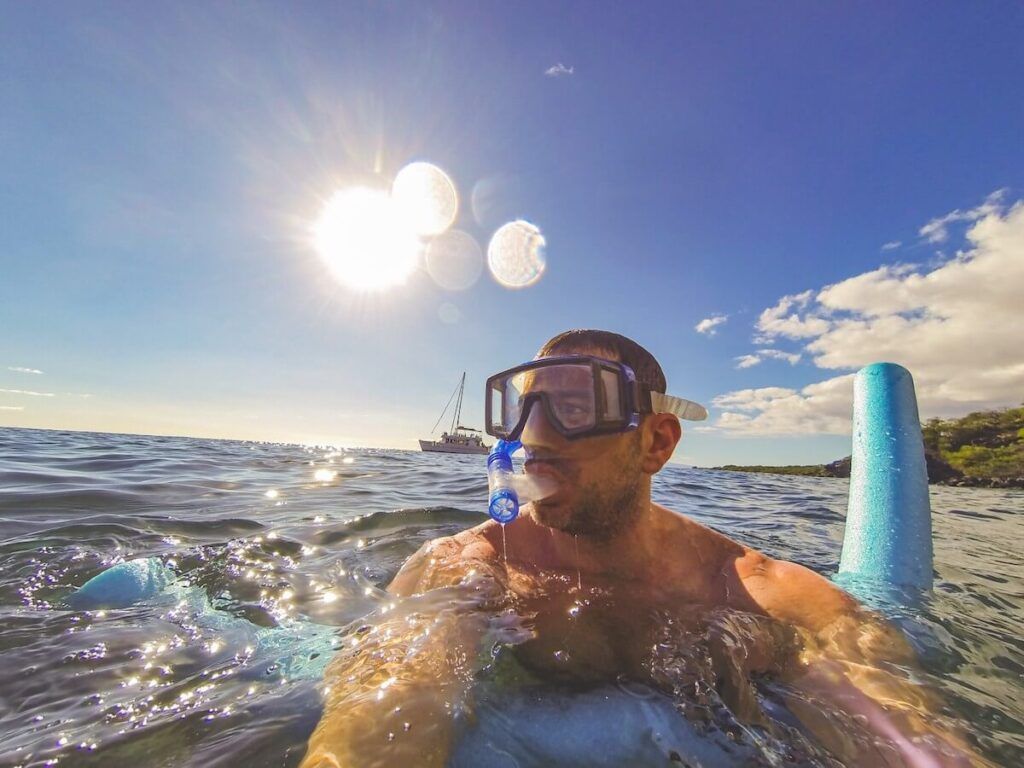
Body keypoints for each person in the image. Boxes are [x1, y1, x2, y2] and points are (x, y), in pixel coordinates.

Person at [301, 330, 981, 768]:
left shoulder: (762, 592)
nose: (534, 436)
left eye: (576, 404)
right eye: (520, 409)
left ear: (656, 441)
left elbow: (901, 733)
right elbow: (387, 714)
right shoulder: (469, 567)